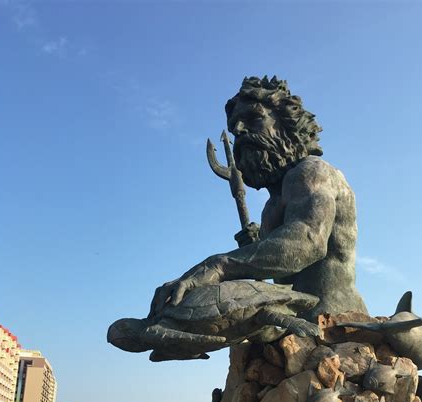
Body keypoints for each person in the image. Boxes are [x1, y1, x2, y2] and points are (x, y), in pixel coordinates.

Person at [149, 76, 367, 323]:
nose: (239, 131)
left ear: (287, 124)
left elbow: (309, 242)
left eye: (254, 118)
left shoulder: (313, 171)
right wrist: (256, 246)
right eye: (234, 127)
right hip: (292, 321)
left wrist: (220, 265)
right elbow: (279, 277)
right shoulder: (272, 205)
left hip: (335, 320)